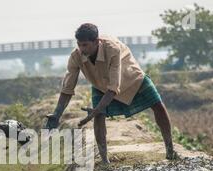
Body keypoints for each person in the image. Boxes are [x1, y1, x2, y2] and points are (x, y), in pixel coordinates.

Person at [45, 23, 179, 163]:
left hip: (131, 76)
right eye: (79, 45)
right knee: (99, 117)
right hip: (100, 84)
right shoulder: (75, 56)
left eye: (85, 45)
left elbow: (113, 87)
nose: (82, 49)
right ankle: (104, 161)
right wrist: (57, 114)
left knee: (157, 105)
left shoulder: (112, 49)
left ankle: (170, 150)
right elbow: (68, 87)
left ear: (96, 42)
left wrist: (96, 110)